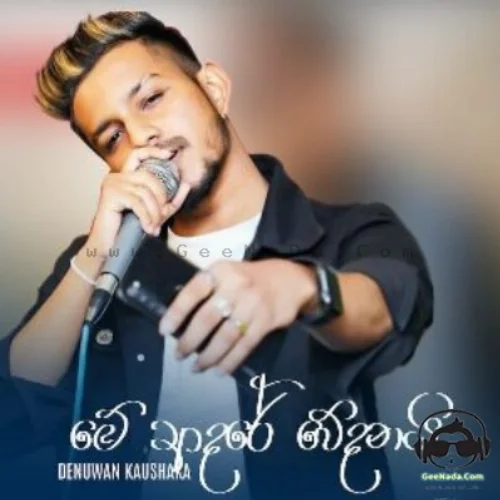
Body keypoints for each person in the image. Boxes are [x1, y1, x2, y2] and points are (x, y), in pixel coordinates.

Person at [0, 11, 434, 500]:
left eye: (152, 99)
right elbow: (12, 413)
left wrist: (305, 288)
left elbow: (391, 306)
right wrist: (98, 249)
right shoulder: (99, 264)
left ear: (214, 89)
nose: (142, 136)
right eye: (114, 137)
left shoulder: (345, 231)